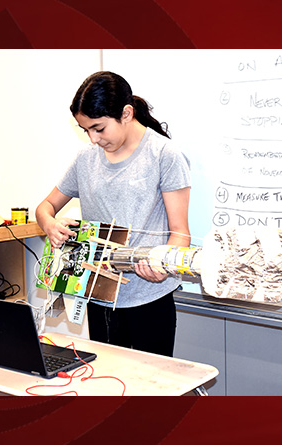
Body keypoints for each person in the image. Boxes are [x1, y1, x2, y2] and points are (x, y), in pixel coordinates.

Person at [36, 71, 191, 357]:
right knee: (108, 385)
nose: (93, 139)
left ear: (127, 114)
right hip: (100, 296)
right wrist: (50, 224)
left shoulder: (164, 155)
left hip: (150, 299)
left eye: (99, 128)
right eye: (86, 131)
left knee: (151, 391)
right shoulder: (85, 159)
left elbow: (180, 233)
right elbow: (45, 208)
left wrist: (163, 267)